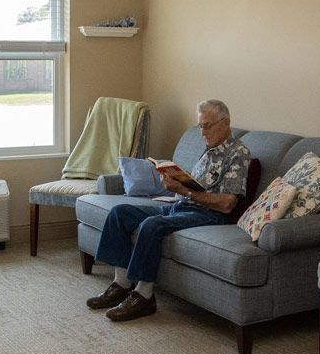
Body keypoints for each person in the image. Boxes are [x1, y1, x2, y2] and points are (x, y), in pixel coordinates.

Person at [88, 99, 251, 322]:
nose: (202, 132)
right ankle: (121, 284)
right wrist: (176, 181)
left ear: (226, 123)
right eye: (200, 126)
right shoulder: (209, 150)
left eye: (207, 125)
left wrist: (184, 190)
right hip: (180, 206)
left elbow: (227, 203)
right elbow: (196, 185)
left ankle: (144, 296)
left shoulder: (237, 153)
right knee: (119, 213)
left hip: (209, 215)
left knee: (152, 225)